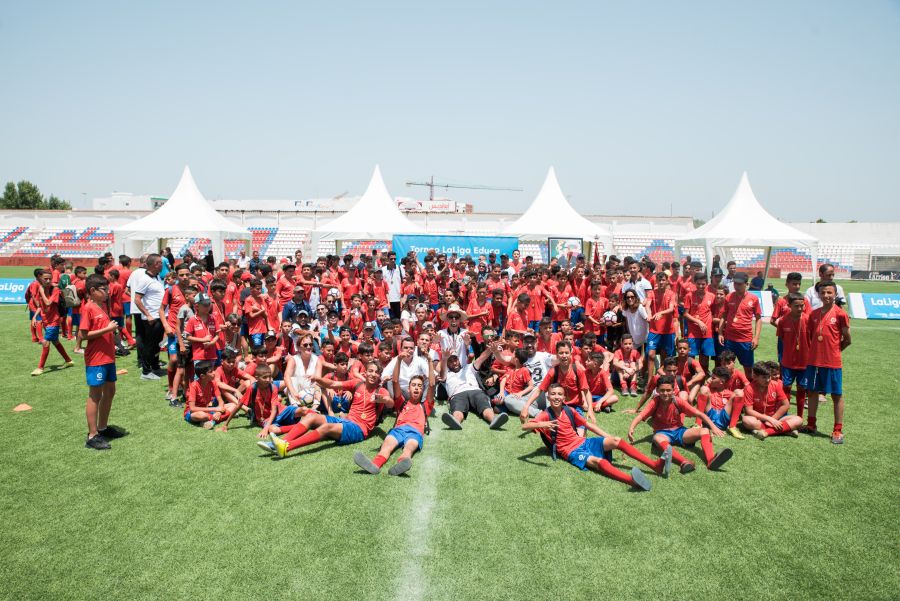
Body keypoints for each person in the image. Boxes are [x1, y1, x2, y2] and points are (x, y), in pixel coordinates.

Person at [522, 383, 670, 491]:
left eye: (559, 394)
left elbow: (589, 426)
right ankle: (632, 481)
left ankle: (655, 466)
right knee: (597, 461)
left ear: (564, 396)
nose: (556, 397)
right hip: (571, 452)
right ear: (548, 396)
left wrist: (609, 438)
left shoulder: (570, 410)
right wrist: (543, 424)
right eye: (553, 394)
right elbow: (525, 426)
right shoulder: (544, 414)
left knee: (617, 440)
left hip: (583, 442)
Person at [267, 362, 393, 457]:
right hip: (346, 421)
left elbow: (390, 403)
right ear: (365, 372)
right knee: (310, 416)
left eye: (377, 372)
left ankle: (286, 447)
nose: (373, 374)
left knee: (326, 427)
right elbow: (332, 384)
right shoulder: (357, 383)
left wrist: (385, 400)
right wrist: (317, 379)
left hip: (360, 429)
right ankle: (279, 442)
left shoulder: (380, 391)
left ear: (379, 376)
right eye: (371, 371)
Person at [627, 375, 733, 474]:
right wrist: (631, 428)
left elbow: (699, 413)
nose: (665, 393)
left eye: (668, 390)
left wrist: (713, 427)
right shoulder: (655, 402)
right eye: (662, 390)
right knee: (657, 438)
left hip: (679, 432)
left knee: (704, 430)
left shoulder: (678, 401)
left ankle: (711, 460)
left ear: (673, 391)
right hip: (663, 433)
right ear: (657, 391)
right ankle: (684, 462)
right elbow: (640, 416)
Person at [354, 350, 435, 476]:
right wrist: (398, 360)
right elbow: (395, 381)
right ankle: (374, 465)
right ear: (409, 389)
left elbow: (431, 383)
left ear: (422, 390)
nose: (417, 387)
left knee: (409, 448)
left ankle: (402, 463)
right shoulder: (401, 402)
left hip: (415, 432)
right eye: (414, 385)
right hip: (398, 430)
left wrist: (430, 361)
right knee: (386, 447)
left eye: (419, 386)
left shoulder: (426, 406)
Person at [80, 274, 126, 450]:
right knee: (95, 395)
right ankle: (92, 435)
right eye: (104, 289)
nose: (108, 292)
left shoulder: (101, 307)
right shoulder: (88, 308)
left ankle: (103, 427)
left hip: (108, 358)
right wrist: (107, 329)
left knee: (110, 391)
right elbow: (84, 335)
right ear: (92, 291)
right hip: (96, 359)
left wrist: (116, 341)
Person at [802, 281, 851, 444]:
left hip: (832, 363)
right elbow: (811, 337)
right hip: (814, 362)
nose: (826, 296)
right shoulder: (814, 314)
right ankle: (811, 425)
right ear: (818, 295)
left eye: (829, 293)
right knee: (812, 393)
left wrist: (834, 352)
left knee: (836, 395)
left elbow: (847, 339)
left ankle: (837, 430)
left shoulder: (840, 314)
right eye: (823, 293)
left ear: (835, 294)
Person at [439, 346, 509, 431]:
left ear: (459, 360)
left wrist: (490, 349)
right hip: (457, 394)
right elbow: (442, 376)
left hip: (475, 391)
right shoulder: (446, 373)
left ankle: (493, 420)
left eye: (455, 360)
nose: (454, 363)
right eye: (450, 361)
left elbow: (481, 358)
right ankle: (456, 421)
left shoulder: (469, 367)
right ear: (447, 363)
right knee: (457, 408)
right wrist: (444, 358)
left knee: (484, 404)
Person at [740, 362, 803, 440]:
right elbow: (749, 411)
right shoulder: (749, 388)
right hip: (758, 419)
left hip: (775, 418)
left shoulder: (775, 385)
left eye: (769, 376)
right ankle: (784, 430)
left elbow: (786, 405)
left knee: (799, 420)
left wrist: (773, 419)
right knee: (746, 420)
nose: (768, 380)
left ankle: (766, 432)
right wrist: (768, 419)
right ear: (755, 377)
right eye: (764, 377)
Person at [30, 269, 74, 376]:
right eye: (46, 279)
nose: (48, 280)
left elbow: (48, 303)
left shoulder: (55, 289)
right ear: (40, 278)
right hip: (46, 321)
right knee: (56, 342)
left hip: (54, 321)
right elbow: (41, 305)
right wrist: (35, 317)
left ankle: (40, 368)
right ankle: (69, 361)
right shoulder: (41, 288)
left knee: (45, 342)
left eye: (50, 278)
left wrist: (41, 292)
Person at [718, 272, 761, 379]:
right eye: (735, 284)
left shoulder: (753, 299)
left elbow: (759, 319)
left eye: (739, 284)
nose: (736, 286)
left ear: (746, 284)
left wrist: (756, 337)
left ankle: (749, 391)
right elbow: (723, 316)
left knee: (748, 369)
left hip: (745, 340)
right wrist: (720, 333)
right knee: (726, 366)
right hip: (729, 339)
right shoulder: (729, 297)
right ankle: (726, 391)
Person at [132, 254, 166, 380]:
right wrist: (148, 315)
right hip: (152, 318)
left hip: (159, 316)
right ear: (153, 264)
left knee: (157, 344)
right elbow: (137, 299)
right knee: (150, 345)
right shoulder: (145, 279)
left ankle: (155, 366)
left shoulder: (157, 278)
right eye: (159, 263)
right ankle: (146, 372)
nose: (161, 265)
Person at [776, 292, 810, 419]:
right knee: (786, 388)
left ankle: (800, 417)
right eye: (796, 306)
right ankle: (786, 416)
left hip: (804, 362)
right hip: (788, 362)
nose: (800, 308)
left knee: (802, 389)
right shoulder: (783, 321)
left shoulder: (808, 319)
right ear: (789, 305)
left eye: (802, 306)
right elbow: (782, 339)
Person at [184, 361, 239, 429]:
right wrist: (216, 409)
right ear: (202, 376)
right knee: (202, 415)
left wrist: (219, 412)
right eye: (211, 372)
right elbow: (192, 408)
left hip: (208, 410)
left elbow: (221, 401)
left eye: (213, 370)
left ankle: (210, 421)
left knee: (233, 405)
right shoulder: (193, 386)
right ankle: (216, 419)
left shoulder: (213, 383)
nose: (214, 373)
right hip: (193, 413)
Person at [683, 271, 716, 373]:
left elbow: (714, 312)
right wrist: (699, 321)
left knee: (705, 358)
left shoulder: (712, 296)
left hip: (707, 332)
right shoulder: (689, 296)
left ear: (707, 283)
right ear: (694, 283)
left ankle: (703, 378)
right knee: (690, 357)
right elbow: (685, 314)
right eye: (698, 284)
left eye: (703, 284)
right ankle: (690, 377)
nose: (701, 286)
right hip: (693, 332)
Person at [644, 271, 677, 369]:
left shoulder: (671, 294)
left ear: (667, 281)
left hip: (668, 330)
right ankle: (649, 380)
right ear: (656, 281)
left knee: (665, 356)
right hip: (654, 329)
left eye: (663, 280)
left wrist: (660, 313)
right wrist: (649, 314)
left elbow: (671, 309)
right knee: (650, 354)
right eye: (659, 280)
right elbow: (647, 305)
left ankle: (662, 377)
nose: (661, 282)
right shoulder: (651, 293)